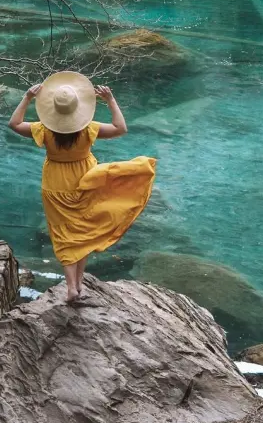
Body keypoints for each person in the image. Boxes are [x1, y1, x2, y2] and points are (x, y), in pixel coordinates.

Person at [8, 71, 156, 303]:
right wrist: (110, 100)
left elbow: (14, 123)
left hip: (55, 184)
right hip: (85, 181)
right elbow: (120, 128)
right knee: (82, 233)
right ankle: (78, 285)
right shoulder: (89, 129)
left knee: (63, 235)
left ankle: (72, 287)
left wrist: (27, 97)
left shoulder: (43, 130)